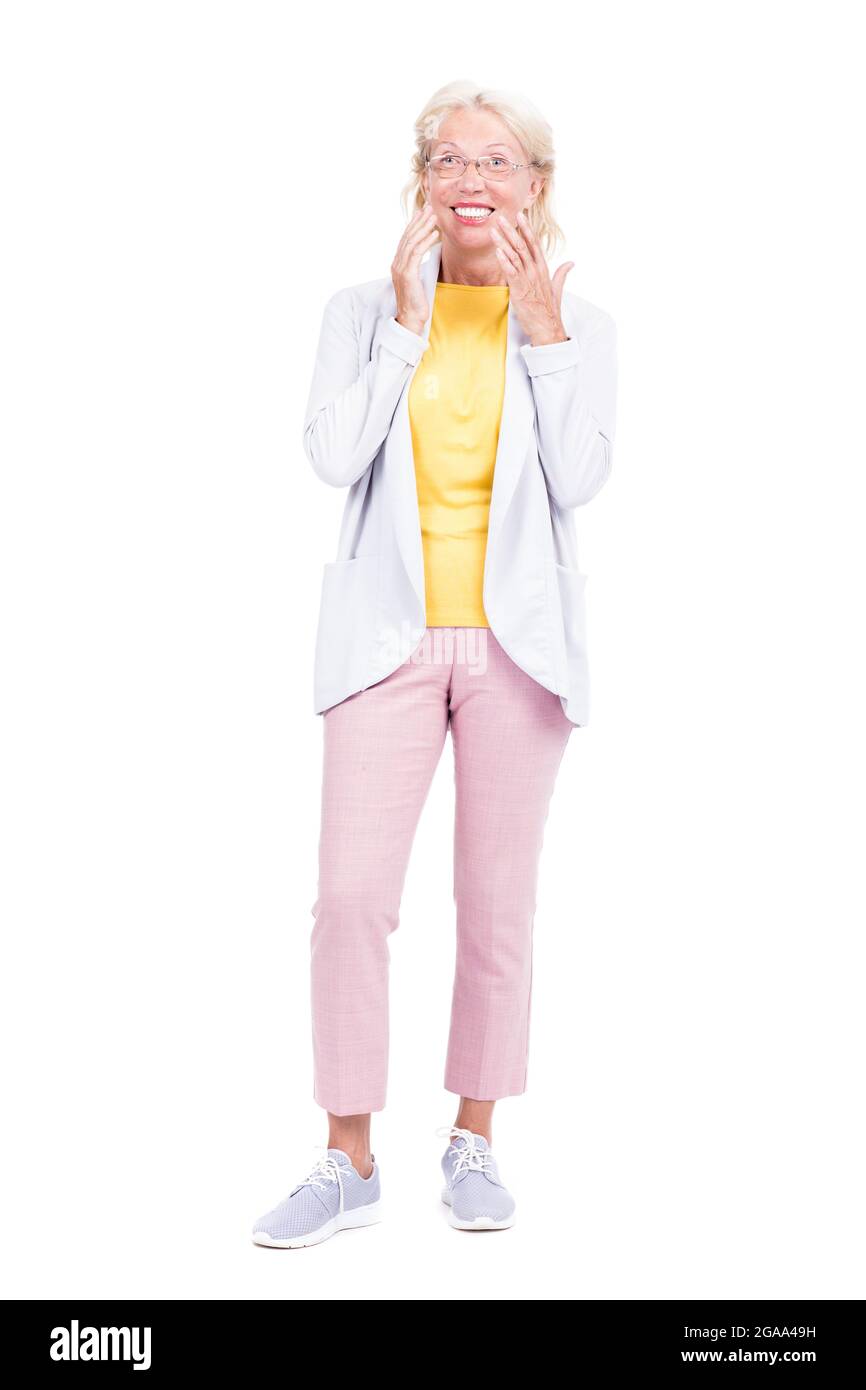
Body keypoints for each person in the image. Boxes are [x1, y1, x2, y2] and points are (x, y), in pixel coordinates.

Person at [252, 79, 618, 1247]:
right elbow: (328, 453)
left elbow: (578, 479)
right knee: (350, 900)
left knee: (493, 905)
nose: (472, 178)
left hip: (517, 645)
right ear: (421, 185)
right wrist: (408, 323)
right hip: (384, 641)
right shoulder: (359, 311)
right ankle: (346, 1155)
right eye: (449, 159)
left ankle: (474, 1138)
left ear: (535, 188)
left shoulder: (575, 322)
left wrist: (547, 335)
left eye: (497, 161)